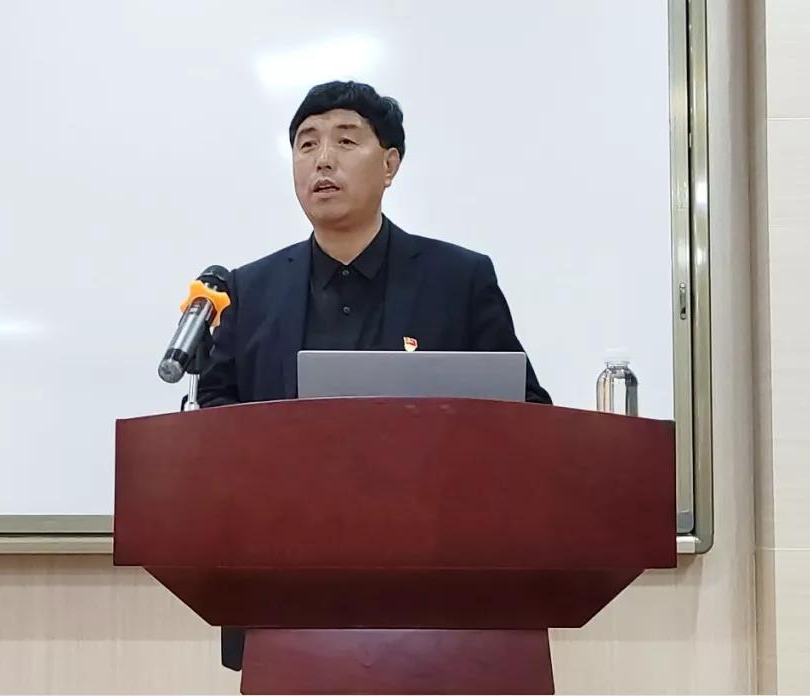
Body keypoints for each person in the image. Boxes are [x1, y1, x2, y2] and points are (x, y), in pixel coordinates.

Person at [195, 81, 551, 670]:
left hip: (443, 591)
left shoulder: (458, 279)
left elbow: (527, 412)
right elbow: (214, 427)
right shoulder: (247, 291)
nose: (322, 159)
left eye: (345, 140)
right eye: (306, 144)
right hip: (288, 597)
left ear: (390, 164)